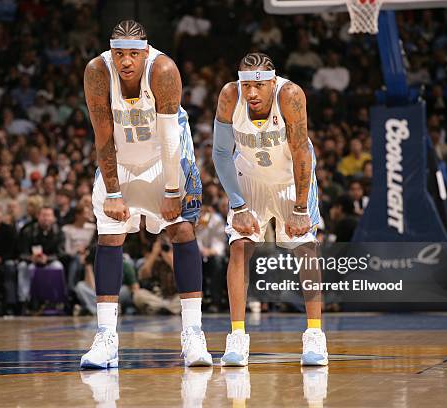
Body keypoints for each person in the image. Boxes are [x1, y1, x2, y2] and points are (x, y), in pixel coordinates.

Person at [80, 20, 211, 369]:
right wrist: (112, 192)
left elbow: (170, 140)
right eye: (119, 53)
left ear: (145, 52)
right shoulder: (97, 71)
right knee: (109, 236)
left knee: (182, 229)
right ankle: (106, 338)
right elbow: (102, 135)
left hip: (163, 158)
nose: (125, 61)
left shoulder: (163, 69)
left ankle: (193, 333)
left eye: (132, 54)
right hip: (121, 158)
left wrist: (171, 191)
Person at [213, 53, 327, 366]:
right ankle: (237, 337)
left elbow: (303, 152)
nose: (251, 92)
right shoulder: (229, 96)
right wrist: (238, 205)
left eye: (259, 85)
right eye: (246, 84)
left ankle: (315, 335)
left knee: (306, 248)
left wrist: (301, 207)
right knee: (239, 248)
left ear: (272, 83)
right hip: (249, 178)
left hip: (291, 176)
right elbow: (221, 153)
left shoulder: (289, 96)